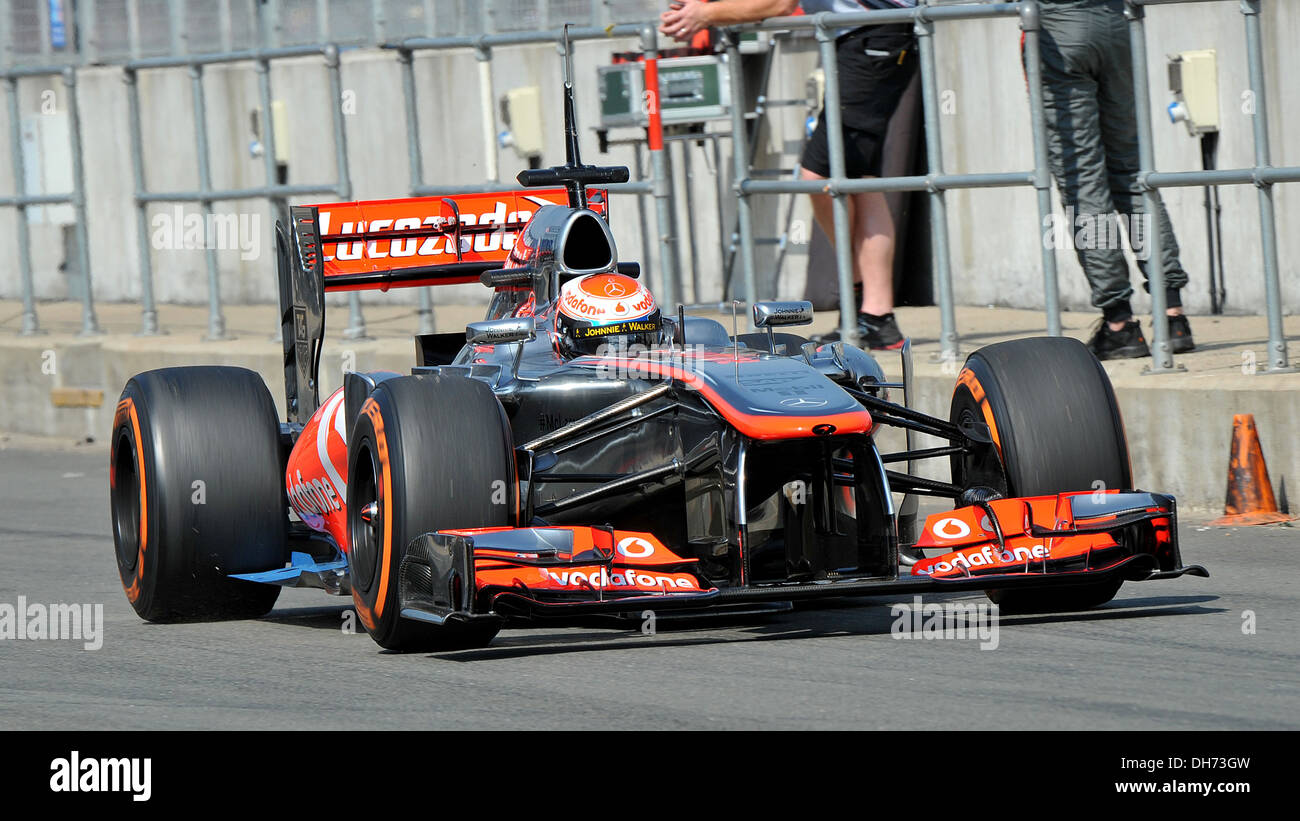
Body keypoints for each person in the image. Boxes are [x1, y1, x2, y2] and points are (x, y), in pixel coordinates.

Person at [660, 0, 918, 350]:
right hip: (865, 35)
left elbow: (779, 4)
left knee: (819, 175)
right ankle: (873, 315)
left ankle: (869, 309)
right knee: (858, 180)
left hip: (872, 34)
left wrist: (704, 14)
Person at [1033, 0, 1195, 359]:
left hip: (1060, 31)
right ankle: (1173, 315)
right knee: (1133, 173)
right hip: (1117, 25)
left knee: (1083, 181)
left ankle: (1119, 324)